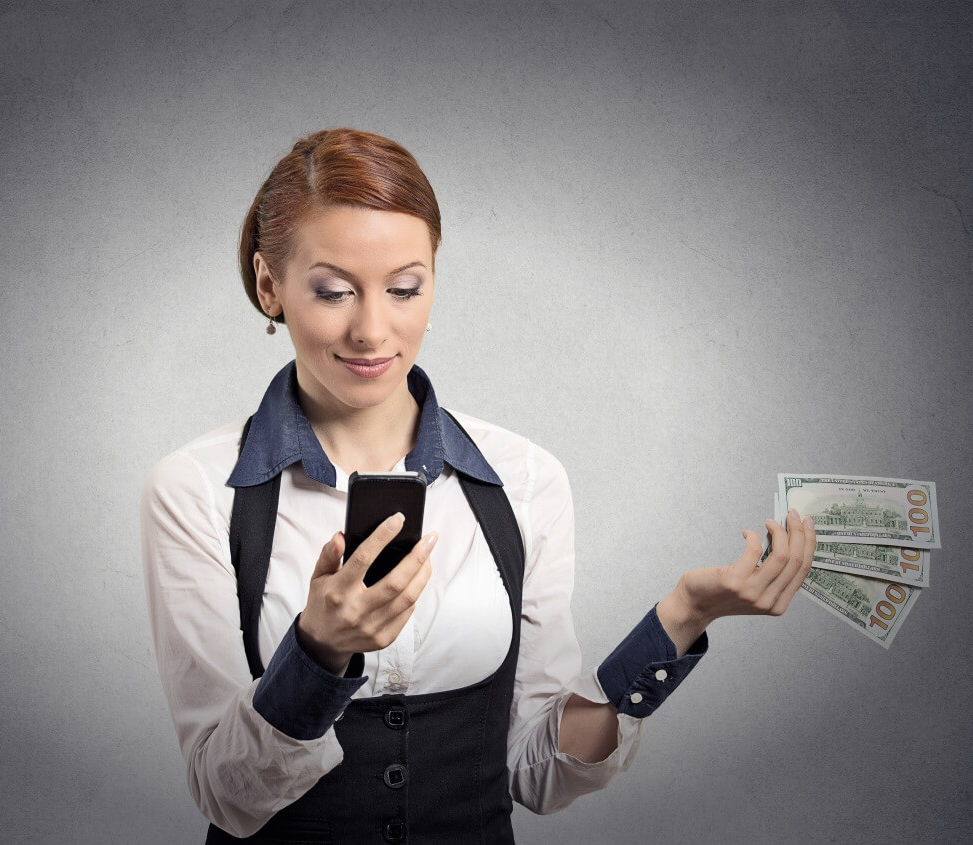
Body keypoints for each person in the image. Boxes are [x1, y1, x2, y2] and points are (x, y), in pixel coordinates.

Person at [139, 127, 818, 843]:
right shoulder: (195, 490)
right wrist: (317, 651)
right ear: (268, 285)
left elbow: (538, 773)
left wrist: (682, 617)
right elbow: (228, 797)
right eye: (334, 290)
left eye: (405, 287)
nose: (373, 329)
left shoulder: (523, 478)